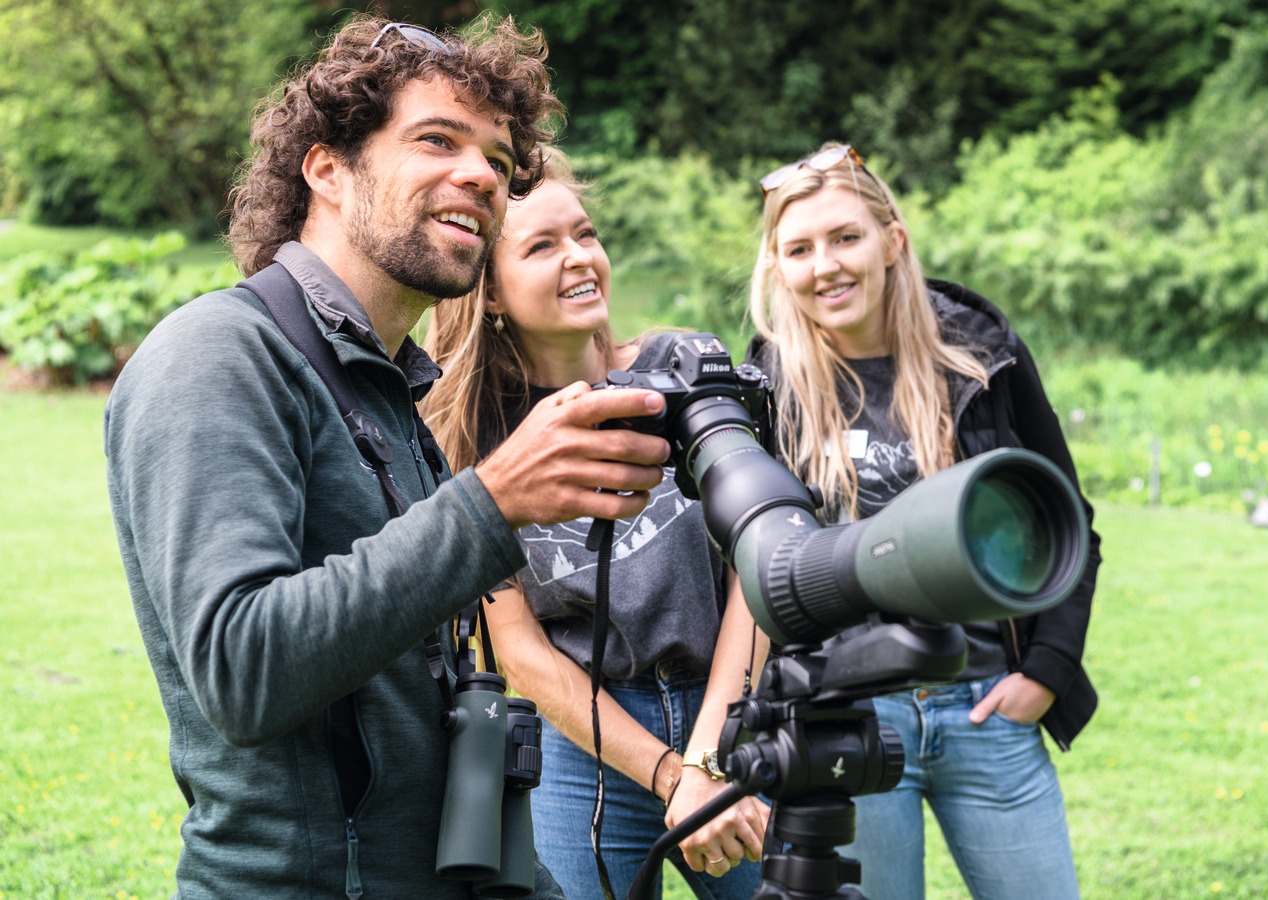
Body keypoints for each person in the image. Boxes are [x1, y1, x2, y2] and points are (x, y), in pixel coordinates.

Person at [103, 16, 674, 898]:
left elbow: (423, 718)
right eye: (437, 140)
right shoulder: (217, 354)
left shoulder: (391, 393)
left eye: (496, 157)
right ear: (327, 169)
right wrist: (492, 501)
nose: (482, 175)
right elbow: (240, 668)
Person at [745, 142, 1103, 900]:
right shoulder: (769, 382)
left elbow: (1066, 521)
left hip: (985, 708)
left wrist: (1047, 672)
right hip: (848, 715)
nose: (826, 265)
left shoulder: (981, 355)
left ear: (892, 240)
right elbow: (754, 562)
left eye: (846, 237)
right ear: (779, 267)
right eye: (799, 248)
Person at [419, 148, 771, 899]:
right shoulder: (470, 445)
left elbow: (759, 567)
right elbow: (520, 652)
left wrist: (708, 757)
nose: (579, 258)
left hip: (733, 702)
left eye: (585, 234)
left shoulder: (684, 370)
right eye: (543, 246)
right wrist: (667, 772)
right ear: (488, 295)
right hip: (582, 737)